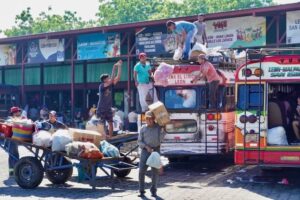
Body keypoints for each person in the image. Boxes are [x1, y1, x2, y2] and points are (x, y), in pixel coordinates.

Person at [137, 111, 166, 198]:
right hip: (145, 151)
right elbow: (139, 141)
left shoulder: (158, 127)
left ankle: (154, 191)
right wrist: (146, 147)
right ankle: (141, 191)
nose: (148, 120)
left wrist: (163, 130)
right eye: (147, 119)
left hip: (156, 151)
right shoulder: (143, 128)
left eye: (150, 119)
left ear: (154, 119)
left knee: (155, 172)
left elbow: (161, 139)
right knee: (141, 171)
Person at [96, 60, 122, 138]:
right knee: (101, 123)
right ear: (104, 80)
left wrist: (119, 67)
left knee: (110, 123)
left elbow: (118, 77)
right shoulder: (102, 85)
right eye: (108, 78)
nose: (110, 78)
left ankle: (110, 137)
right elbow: (112, 79)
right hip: (101, 108)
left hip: (108, 108)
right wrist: (114, 68)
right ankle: (102, 137)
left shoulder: (110, 85)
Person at [6, 107, 24, 176]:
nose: (18, 113)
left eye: (18, 111)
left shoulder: (20, 119)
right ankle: (12, 171)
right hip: (10, 139)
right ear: (13, 113)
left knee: (15, 154)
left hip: (16, 139)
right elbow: (8, 129)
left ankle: (16, 169)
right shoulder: (10, 119)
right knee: (12, 155)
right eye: (16, 112)